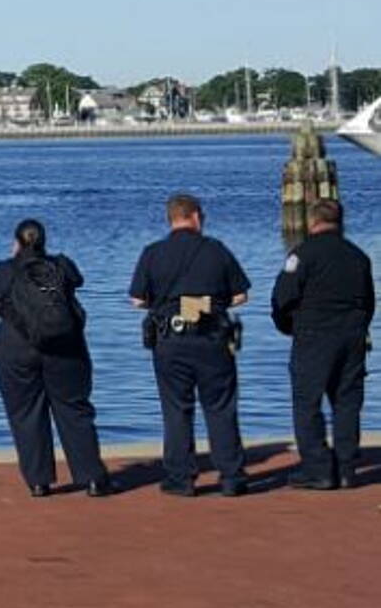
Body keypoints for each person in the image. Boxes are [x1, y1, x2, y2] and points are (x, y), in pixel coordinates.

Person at [0, 218, 113, 498]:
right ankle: (92, 479)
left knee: (26, 414)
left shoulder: (3, 271)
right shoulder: (62, 265)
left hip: (16, 348)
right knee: (74, 410)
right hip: (66, 346)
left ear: (16, 243)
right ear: (43, 241)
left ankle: (39, 482)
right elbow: (76, 282)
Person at [130, 192, 252, 497]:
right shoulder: (216, 250)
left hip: (170, 340)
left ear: (171, 218)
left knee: (176, 410)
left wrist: (172, 306)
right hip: (212, 337)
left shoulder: (152, 253)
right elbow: (241, 296)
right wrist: (204, 305)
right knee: (221, 408)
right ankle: (232, 477)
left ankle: (181, 478)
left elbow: (137, 300)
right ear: (196, 216)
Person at [272, 200, 373, 490]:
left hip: (314, 336)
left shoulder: (302, 255)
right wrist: (358, 329)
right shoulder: (359, 256)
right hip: (352, 337)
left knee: (307, 403)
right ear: (341, 221)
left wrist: (288, 327)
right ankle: (346, 468)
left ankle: (318, 469)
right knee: (347, 402)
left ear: (312, 221)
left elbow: (282, 297)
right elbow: (368, 302)